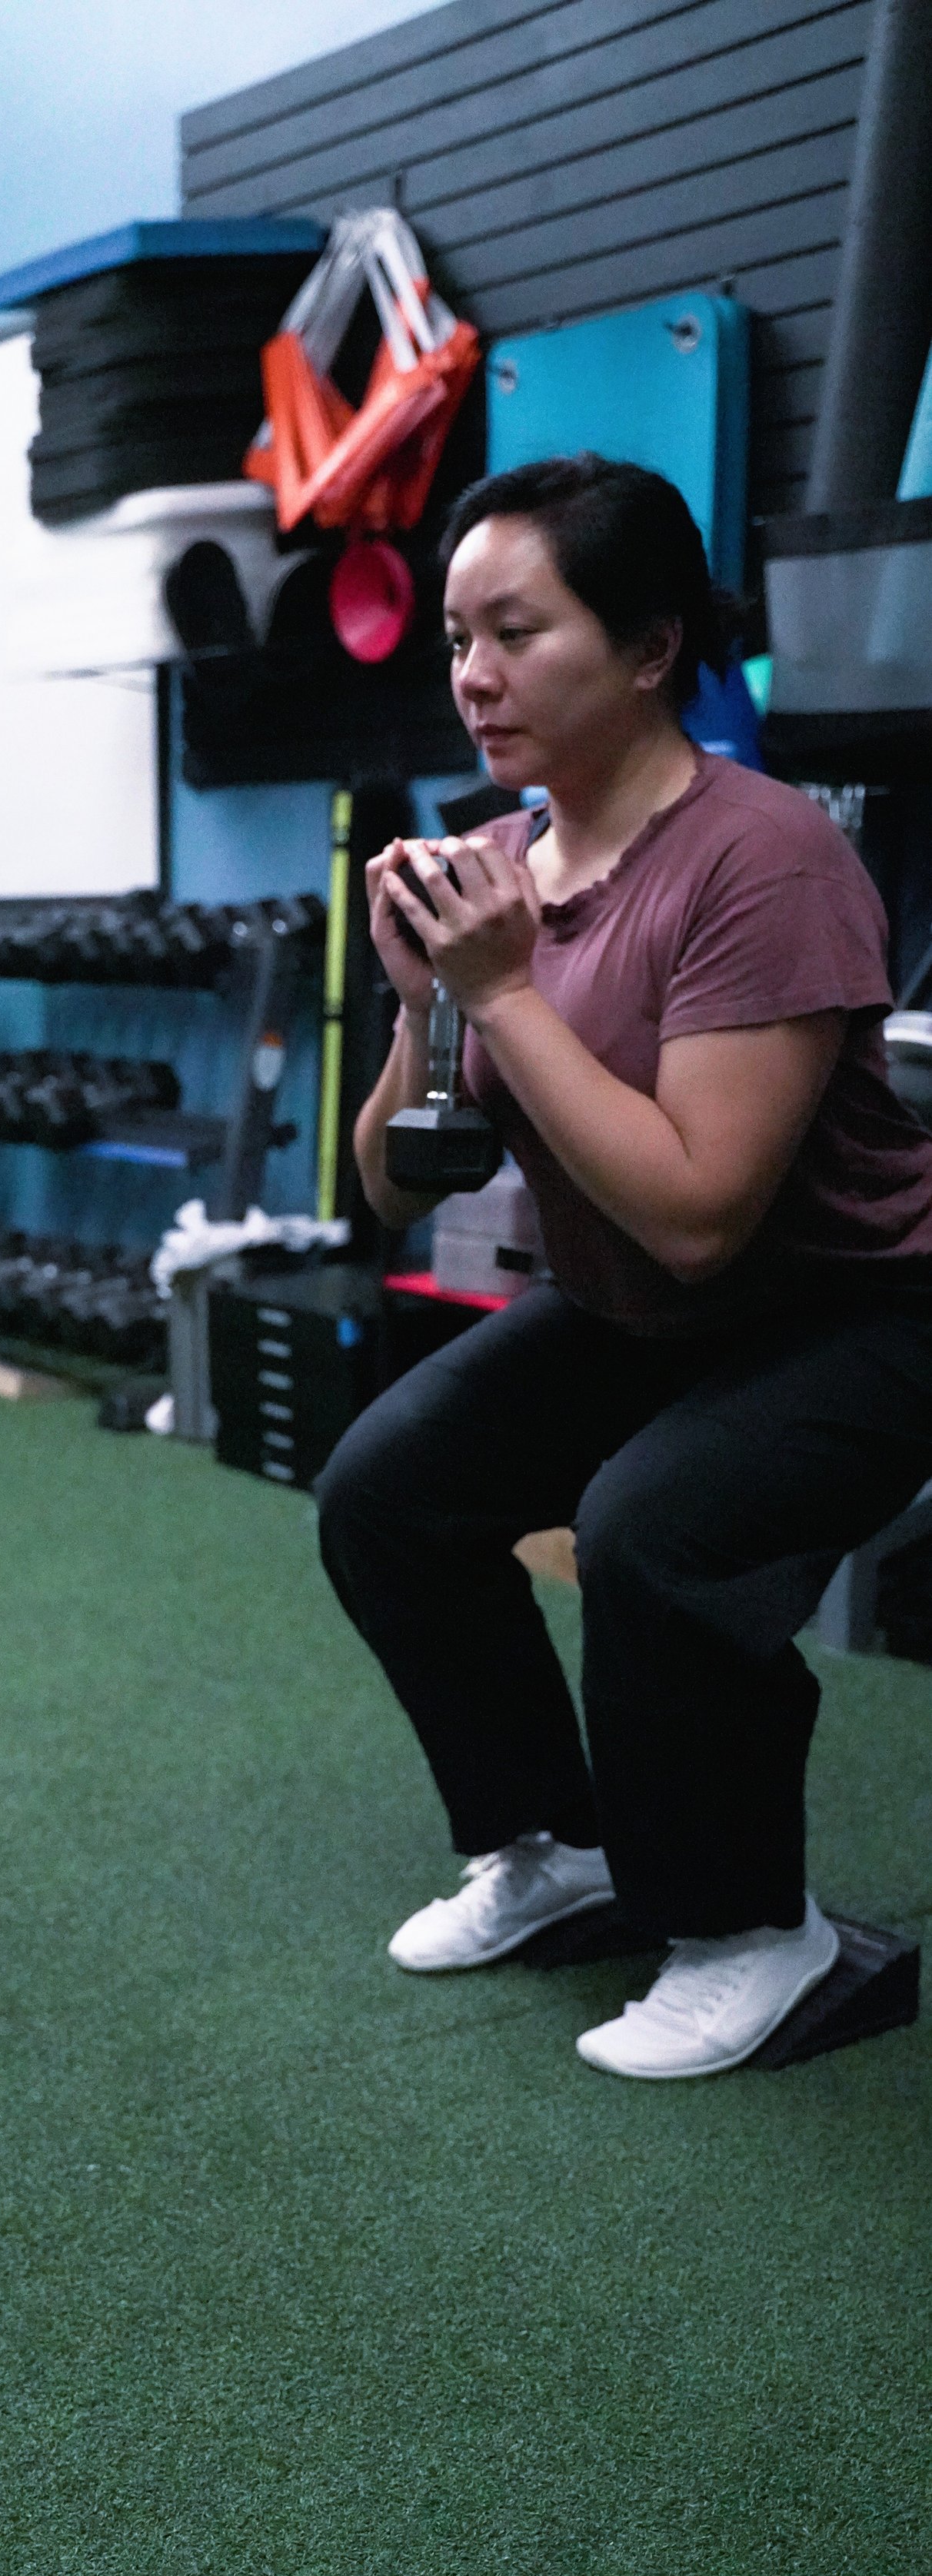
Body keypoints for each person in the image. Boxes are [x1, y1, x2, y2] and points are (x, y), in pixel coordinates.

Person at [319, 454, 932, 2079]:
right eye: (456, 635)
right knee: (385, 1488)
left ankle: (758, 1936)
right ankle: (554, 1847)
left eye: (514, 630)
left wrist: (501, 988)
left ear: (650, 647)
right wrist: (419, 1007)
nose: (469, 672)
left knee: (649, 1528)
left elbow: (696, 1210)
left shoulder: (765, 856)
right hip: (644, 1312)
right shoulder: (495, 863)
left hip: (856, 1314)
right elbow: (386, 1187)